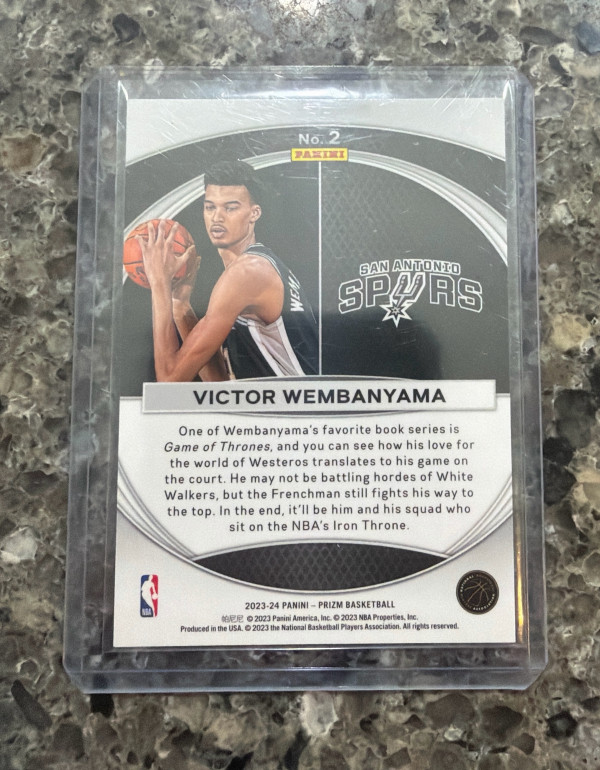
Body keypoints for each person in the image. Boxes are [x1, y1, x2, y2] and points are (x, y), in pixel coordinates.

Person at [139, 161, 318, 382]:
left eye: (230, 208)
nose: (217, 217)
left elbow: (168, 380)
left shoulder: (247, 273)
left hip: (293, 403)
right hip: (287, 401)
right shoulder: (257, 264)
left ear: (254, 213)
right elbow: (219, 383)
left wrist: (159, 283)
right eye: (210, 207)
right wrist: (179, 304)